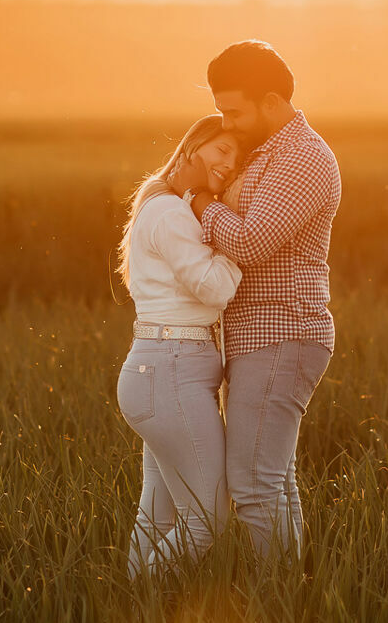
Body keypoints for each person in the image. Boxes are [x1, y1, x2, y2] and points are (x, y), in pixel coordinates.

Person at [187, 41, 341, 563]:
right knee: (271, 482)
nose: (225, 123)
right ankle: (289, 601)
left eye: (233, 111)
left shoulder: (303, 158)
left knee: (253, 485)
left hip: (283, 333)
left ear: (272, 101)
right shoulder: (269, 151)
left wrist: (200, 201)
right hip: (260, 336)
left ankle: (271, 611)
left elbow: (252, 242)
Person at [114, 114, 249, 577]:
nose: (229, 165)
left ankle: (133, 611)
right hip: (171, 373)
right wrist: (235, 243)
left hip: (157, 372)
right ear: (193, 146)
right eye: (221, 151)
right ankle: (148, 599)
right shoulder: (172, 212)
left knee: (159, 516)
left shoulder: (160, 204)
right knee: (208, 520)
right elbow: (214, 288)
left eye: (236, 158)